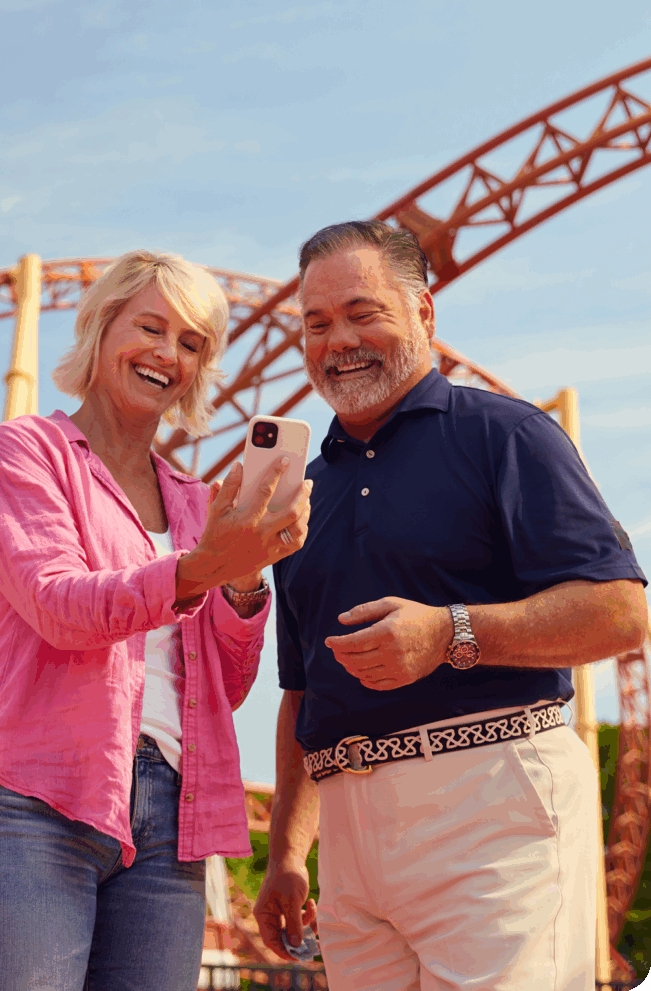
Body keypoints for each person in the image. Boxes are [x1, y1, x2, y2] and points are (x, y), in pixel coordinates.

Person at [253, 220, 648, 991]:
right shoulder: (299, 493)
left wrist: (450, 633)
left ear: (423, 315)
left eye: (363, 313)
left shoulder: (507, 436)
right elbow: (301, 691)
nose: (339, 341)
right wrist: (285, 855)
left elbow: (620, 610)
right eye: (316, 322)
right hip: (348, 838)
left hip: (490, 805)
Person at [0, 249, 312, 991]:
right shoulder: (27, 453)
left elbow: (224, 687)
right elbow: (59, 605)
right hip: (33, 797)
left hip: (173, 816)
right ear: (103, 327)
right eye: (150, 327)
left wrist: (241, 579)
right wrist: (199, 567)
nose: (167, 355)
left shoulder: (197, 503)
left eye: (191, 344)